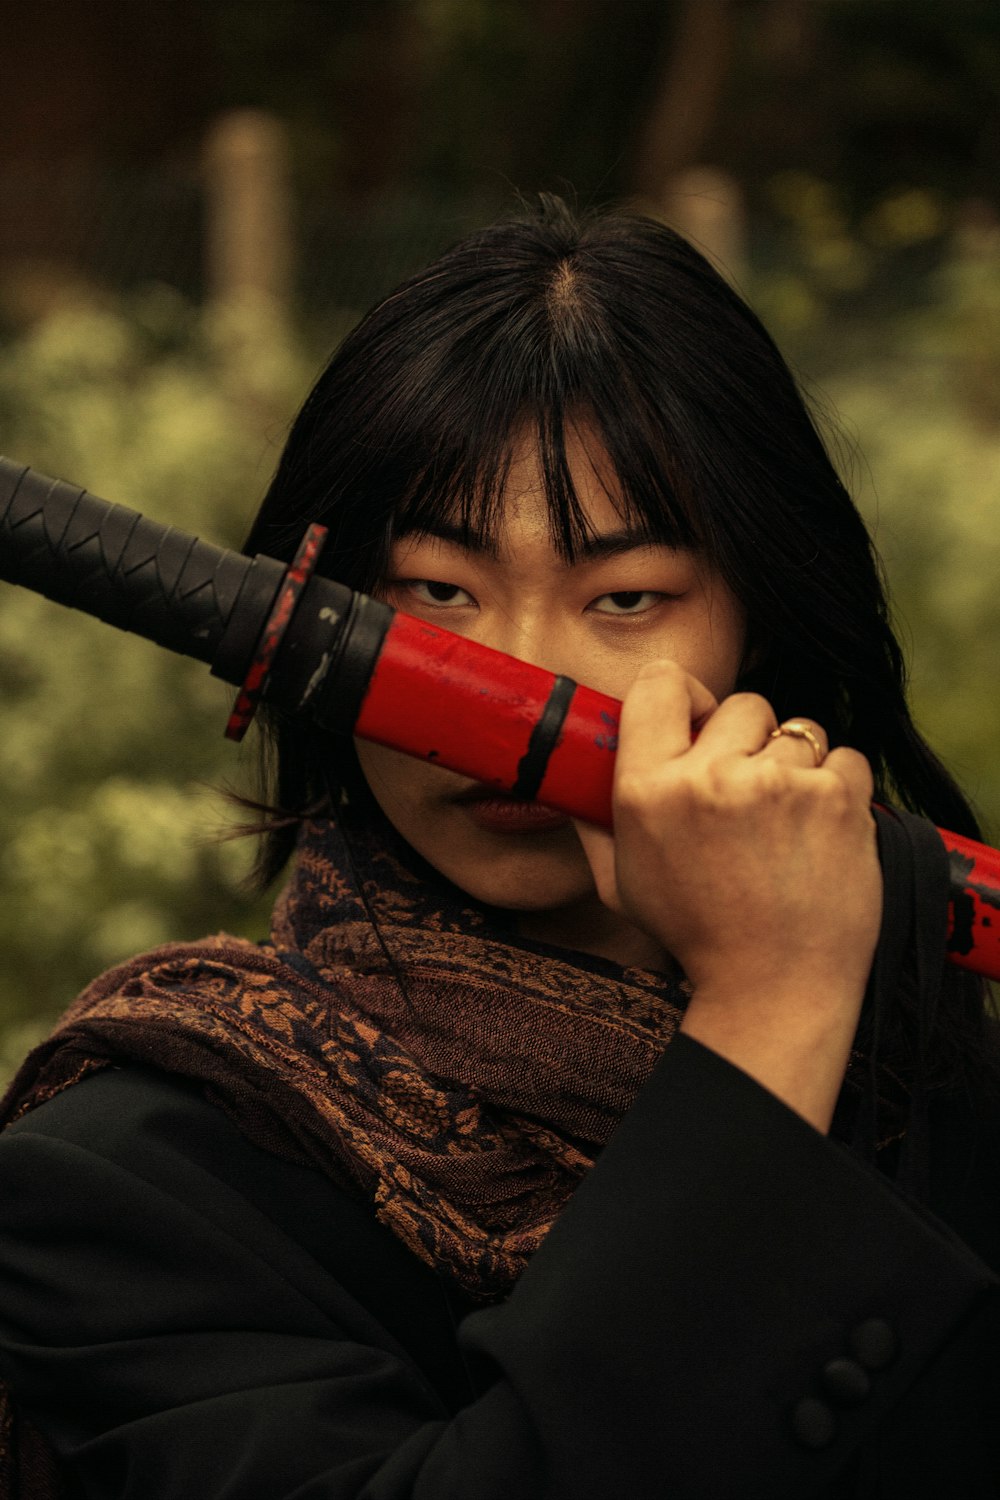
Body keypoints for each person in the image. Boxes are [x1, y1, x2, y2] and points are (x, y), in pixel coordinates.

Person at [0, 194, 998, 1500]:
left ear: (759, 624)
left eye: (628, 597)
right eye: (436, 594)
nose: (517, 680)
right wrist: (769, 1002)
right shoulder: (130, 1180)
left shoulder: (935, 1070)